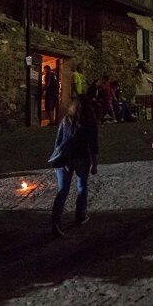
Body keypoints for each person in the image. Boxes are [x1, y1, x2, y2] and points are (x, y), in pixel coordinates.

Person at [50, 95, 99, 237]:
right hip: (81, 158)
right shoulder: (90, 122)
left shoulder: (66, 120)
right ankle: (80, 215)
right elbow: (93, 145)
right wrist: (94, 164)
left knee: (62, 190)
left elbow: (58, 141)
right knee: (82, 186)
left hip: (65, 159)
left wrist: (56, 158)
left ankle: (55, 222)